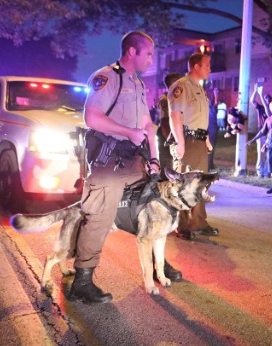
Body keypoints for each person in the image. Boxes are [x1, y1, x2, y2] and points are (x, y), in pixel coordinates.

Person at [68, 31, 161, 304]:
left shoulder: (138, 84)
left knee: (156, 204)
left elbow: (147, 125)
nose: (151, 60)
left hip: (134, 160)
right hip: (109, 161)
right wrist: (127, 132)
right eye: (148, 54)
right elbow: (92, 117)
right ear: (132, 52)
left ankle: (159, 264)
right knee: (99, 217)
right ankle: (82, 282)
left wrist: (154, 158)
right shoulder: (108, 77)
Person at [168, 52, 217, 240]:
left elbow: (199, 119)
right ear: (196, 66)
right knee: (184, 184)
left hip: (199, 141)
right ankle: (182, 226)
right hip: (186, 141)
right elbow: (175, 115)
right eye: (206, 65)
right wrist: (180, 141)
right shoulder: (181, 86)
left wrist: (205, 140)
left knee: (201, 184)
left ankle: (199, 222)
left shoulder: (199, 88)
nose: (209, 69)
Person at [156, 73, 182, 172]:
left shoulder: (175, 98)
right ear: (173, 84)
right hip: (166, 134)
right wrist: (173, 141)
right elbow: (166, 122)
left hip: (172, 135)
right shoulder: (165, 99)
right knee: (168, 165)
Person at [250, 83, 271, 178]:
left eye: (268, 99)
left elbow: (269, 112)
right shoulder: (260, 108)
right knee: (260, 153)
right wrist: (255, 91)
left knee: (268, 153)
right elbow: (252, 101)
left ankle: (267, 171)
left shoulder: (271, 110)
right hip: (261, 133)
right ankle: (260, 172)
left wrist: (261, 94)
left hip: (269, 134)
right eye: (265, 99)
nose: (266, 101)